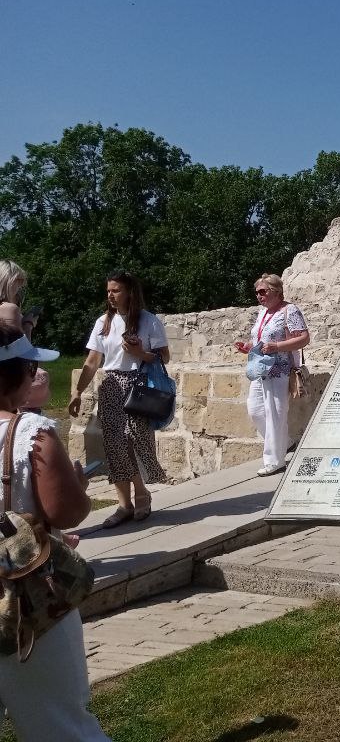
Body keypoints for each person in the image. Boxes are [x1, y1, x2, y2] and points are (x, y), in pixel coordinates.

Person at [0, 327, 110, 741]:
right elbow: (67, 511)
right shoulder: (30, 434)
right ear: (21, 373)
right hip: (22, 601)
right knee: (59, 724)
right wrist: (77, 487)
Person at [67, 272, 169, 529]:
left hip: (139, 384)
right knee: (114, 443)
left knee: (136, 439)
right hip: (111, 385)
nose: (110, 295)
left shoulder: (148, 321)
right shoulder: (104, 322)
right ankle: (125, 503)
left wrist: (138, 353)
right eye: (108, 291)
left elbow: (163, 358)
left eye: (116, 290)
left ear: (130, 292)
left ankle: (141, 492)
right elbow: (92, 361)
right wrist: (77, 391)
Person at [234, 275, 309, 477]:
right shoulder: (263, 313)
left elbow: (303, 338)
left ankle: (274, 460)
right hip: (260, 369)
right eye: (257, 292)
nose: (259, 296)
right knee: (255, 410)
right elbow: (261, 339)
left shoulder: (289, 310)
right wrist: (249, 346)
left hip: (280, 370)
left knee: (275, 413)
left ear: (276, 291)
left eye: (263, 291)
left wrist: (277, 347)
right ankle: (285, 443)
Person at [0, 262, 49, 412]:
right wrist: (28, 324)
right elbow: (22, 352)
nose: (19, 290)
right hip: (10, 383)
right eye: (18, 284)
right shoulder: (10, 309)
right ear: (7, 282)